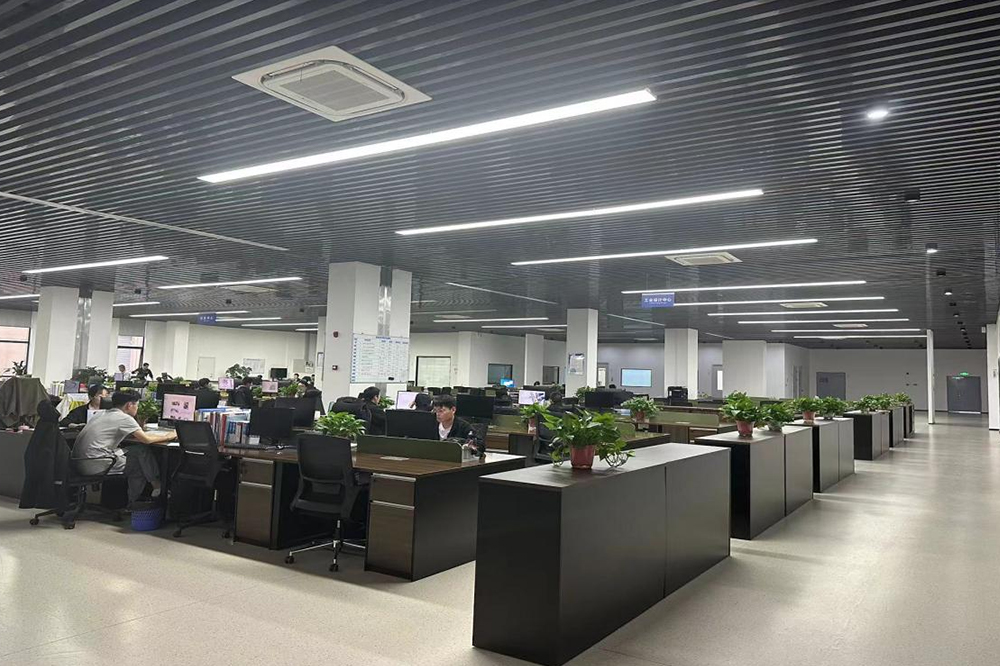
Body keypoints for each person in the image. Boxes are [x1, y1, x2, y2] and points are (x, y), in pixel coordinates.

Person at [71, 391, 175, 503]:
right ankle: (133, 503)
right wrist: (170, 436)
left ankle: (156, 486)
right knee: (139, 466)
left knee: (140, 450)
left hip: (78, 463)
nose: (137, 409)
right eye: (137, 405)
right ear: (129, 405)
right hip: (96, 464)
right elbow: (146, 440)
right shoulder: (124, 418)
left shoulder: (100, 414)